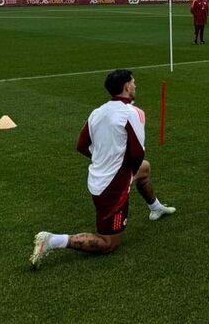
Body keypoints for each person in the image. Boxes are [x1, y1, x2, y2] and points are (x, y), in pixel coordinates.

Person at [31, 69, 176, 268]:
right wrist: (123, 175)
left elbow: (81, 145)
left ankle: (155, 208)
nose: (135, 85)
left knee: (144, 169)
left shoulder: (97, 112)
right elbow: (136, 153)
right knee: (108, 243)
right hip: (112, 186)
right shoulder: (133, 113)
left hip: (99, 177)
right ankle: (52, 240)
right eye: (133, 82)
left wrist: (104, 160)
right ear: (127, 87)